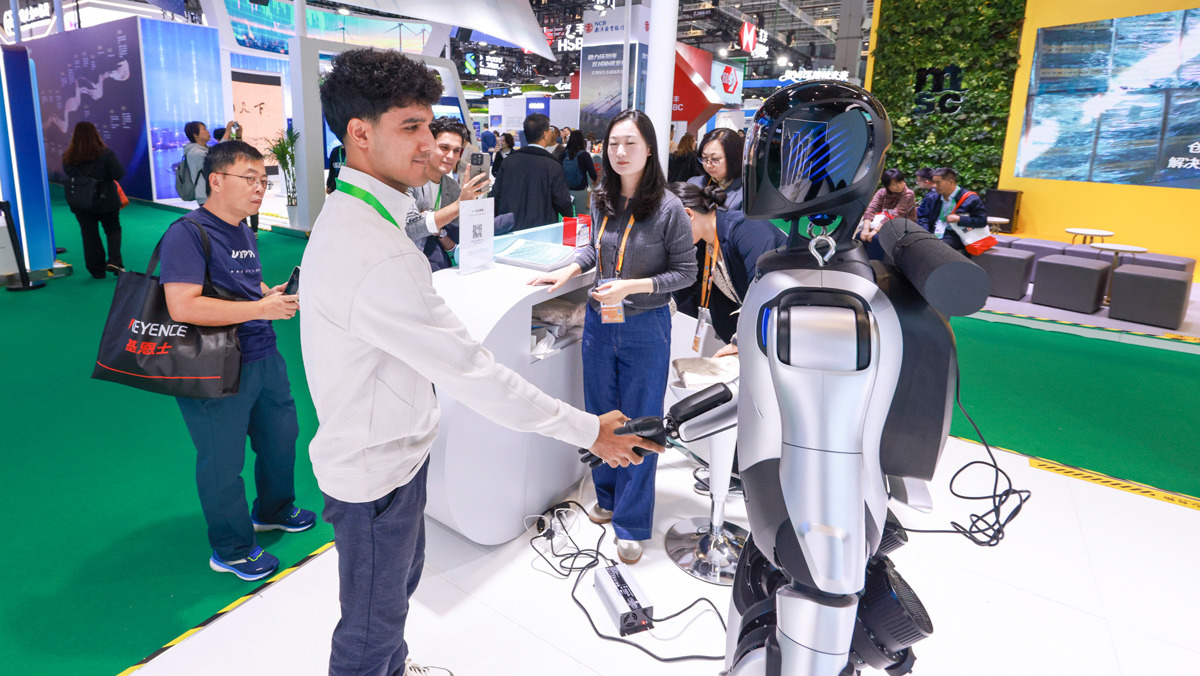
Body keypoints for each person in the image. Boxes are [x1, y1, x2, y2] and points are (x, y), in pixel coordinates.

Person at [301, 49, 658, 676]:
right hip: (376, 472)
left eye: (429, 123)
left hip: (388, 455)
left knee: (392, 597)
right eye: (410, 127)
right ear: (360, 133)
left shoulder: (364, 214)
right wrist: (587, 430)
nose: (430, 143)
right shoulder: (374, 250)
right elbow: (473, 372)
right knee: (369, 629)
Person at [531, 110, 698, 565]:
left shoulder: (668, 208)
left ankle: (632, 521)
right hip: (599, 323)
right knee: (600, 413)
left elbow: (686, 272)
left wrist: (631, 287)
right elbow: (594, 247)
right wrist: (568, 270)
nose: (620, 152)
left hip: (645, 325)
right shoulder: (601, 196)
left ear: (649, 150)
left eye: (630, 143)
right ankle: (606, 496)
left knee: (642, 420)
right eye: (613, 144)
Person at [159, 140, 314, 583]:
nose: (259, 188)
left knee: (281, 438)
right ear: (216, 180)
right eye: (249, 179)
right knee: (222, 461)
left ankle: (274, 510)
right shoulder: (187, 233)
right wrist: (259, 309)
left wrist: (267, 294)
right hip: (214, 366)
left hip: (263, 355)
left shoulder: (243, 229)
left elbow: (243, 282)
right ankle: (231, 548)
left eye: (264, 180)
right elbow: (182, 306)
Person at [669, 182, 786, 344]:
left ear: (688, 214)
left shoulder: (746, 229)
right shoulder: (703, 245)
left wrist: (740, 343)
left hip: (792, 325)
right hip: (765, 332)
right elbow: (680, 290)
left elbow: (764, 291)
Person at [404, 116, 491, 271]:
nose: (451, 156)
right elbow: (410, 230)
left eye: (456, 151)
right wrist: (459, 205)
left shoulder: (451, 186)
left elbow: (461, 231)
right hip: (404, 265)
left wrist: (472, 205)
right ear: (428, 146)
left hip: (438, 267)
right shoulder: (408, 180)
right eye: (444, 148)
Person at [62, 121, 126, 279]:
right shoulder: (106, 154)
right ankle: (115, 260)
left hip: (81, 202)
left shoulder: (68, 156)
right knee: (112, 229)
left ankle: (96, 270)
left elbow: (69, 175)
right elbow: (118, 174)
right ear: (95, 134)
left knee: (89, 234)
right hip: (106, 199)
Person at [492, 113, 574, 231]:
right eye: (549, 129)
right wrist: (569, 216)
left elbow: (495, 196)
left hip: (509, 230)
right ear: (545, 134)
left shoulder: (508, 162)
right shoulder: (553, 166)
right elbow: (563, 202)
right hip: (542, 232)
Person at [916, 167, 987, 253]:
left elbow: (981, 221)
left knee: (936, 248)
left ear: (950, 182)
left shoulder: (970, 199)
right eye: (934, 182)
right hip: (933, 231)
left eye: (938, 182)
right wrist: (925, 233)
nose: (934, 186)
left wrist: (960, 219)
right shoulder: (932, 197)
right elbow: (923, 217)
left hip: (956, 235)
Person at [855, 168, 918, 259]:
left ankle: (876, 264)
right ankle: (859, 261)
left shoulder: (908, 194)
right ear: (887, 185)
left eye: (900, 182)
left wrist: (874, 231)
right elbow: (870, 210)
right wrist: (866, 229)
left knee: (876, 238)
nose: (899, 186)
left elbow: (895, 215)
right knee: (860, 236)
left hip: (902, 227)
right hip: (883, 225)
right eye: (894, 184)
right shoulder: (882, 192)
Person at [688, 127, 745, 211]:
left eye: (715, 159)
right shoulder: (694, 183)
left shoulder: (746, 193)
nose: (708, 165)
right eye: (704, 158)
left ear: (734, 157)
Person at [564, 129, 598, 215]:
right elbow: (591, 171)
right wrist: (594, 179)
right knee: (581, 215)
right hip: (580, 189)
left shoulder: (564, 153)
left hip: (565, 189)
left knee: (567, 216)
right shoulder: (584, 155)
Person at [182, 121, 211, 205]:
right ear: (195, 134)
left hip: (212, 196)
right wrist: (227, 133)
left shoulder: (206, 149)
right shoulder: (195, 153)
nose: (208, 132)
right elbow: (218, 158)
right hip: (206, 197)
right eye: (204, 129)